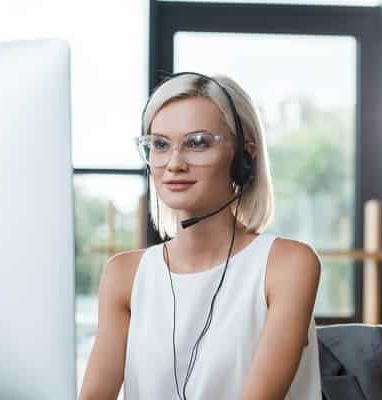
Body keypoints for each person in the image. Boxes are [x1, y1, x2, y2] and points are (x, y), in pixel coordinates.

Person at [79, 72, 322, 400]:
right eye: (160, 145)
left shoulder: (288, 265)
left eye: (197, 143)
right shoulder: (124, 275)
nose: (174, 163)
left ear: (243, 157)